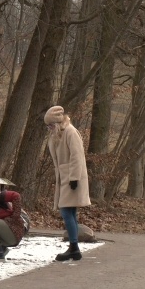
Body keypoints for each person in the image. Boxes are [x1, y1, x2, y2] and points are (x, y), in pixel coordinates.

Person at [44, 105, 91, 261]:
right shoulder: (58, 134)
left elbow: (77, 156)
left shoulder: (70, 132)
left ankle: (74, 247)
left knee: (65, 211)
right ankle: (74, 246)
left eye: (50, 124)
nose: (49, 128)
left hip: (71, 179)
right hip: (65, 178)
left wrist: (74, 178)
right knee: (69, 212)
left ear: (56, 122)